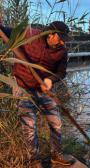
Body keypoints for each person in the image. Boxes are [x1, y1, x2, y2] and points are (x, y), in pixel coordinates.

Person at [0, 21, 75, 167]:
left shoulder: (62, 51)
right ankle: (34, 160)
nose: (62, 43)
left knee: (56, 122)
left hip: (43, 90)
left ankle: (56, 155)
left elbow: (61, 72)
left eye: (63, 40)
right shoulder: (29, 34)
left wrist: (50, 80)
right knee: (29, 126)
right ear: (50, 34)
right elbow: (7, 32)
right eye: (60, 39)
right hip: (22, 87)